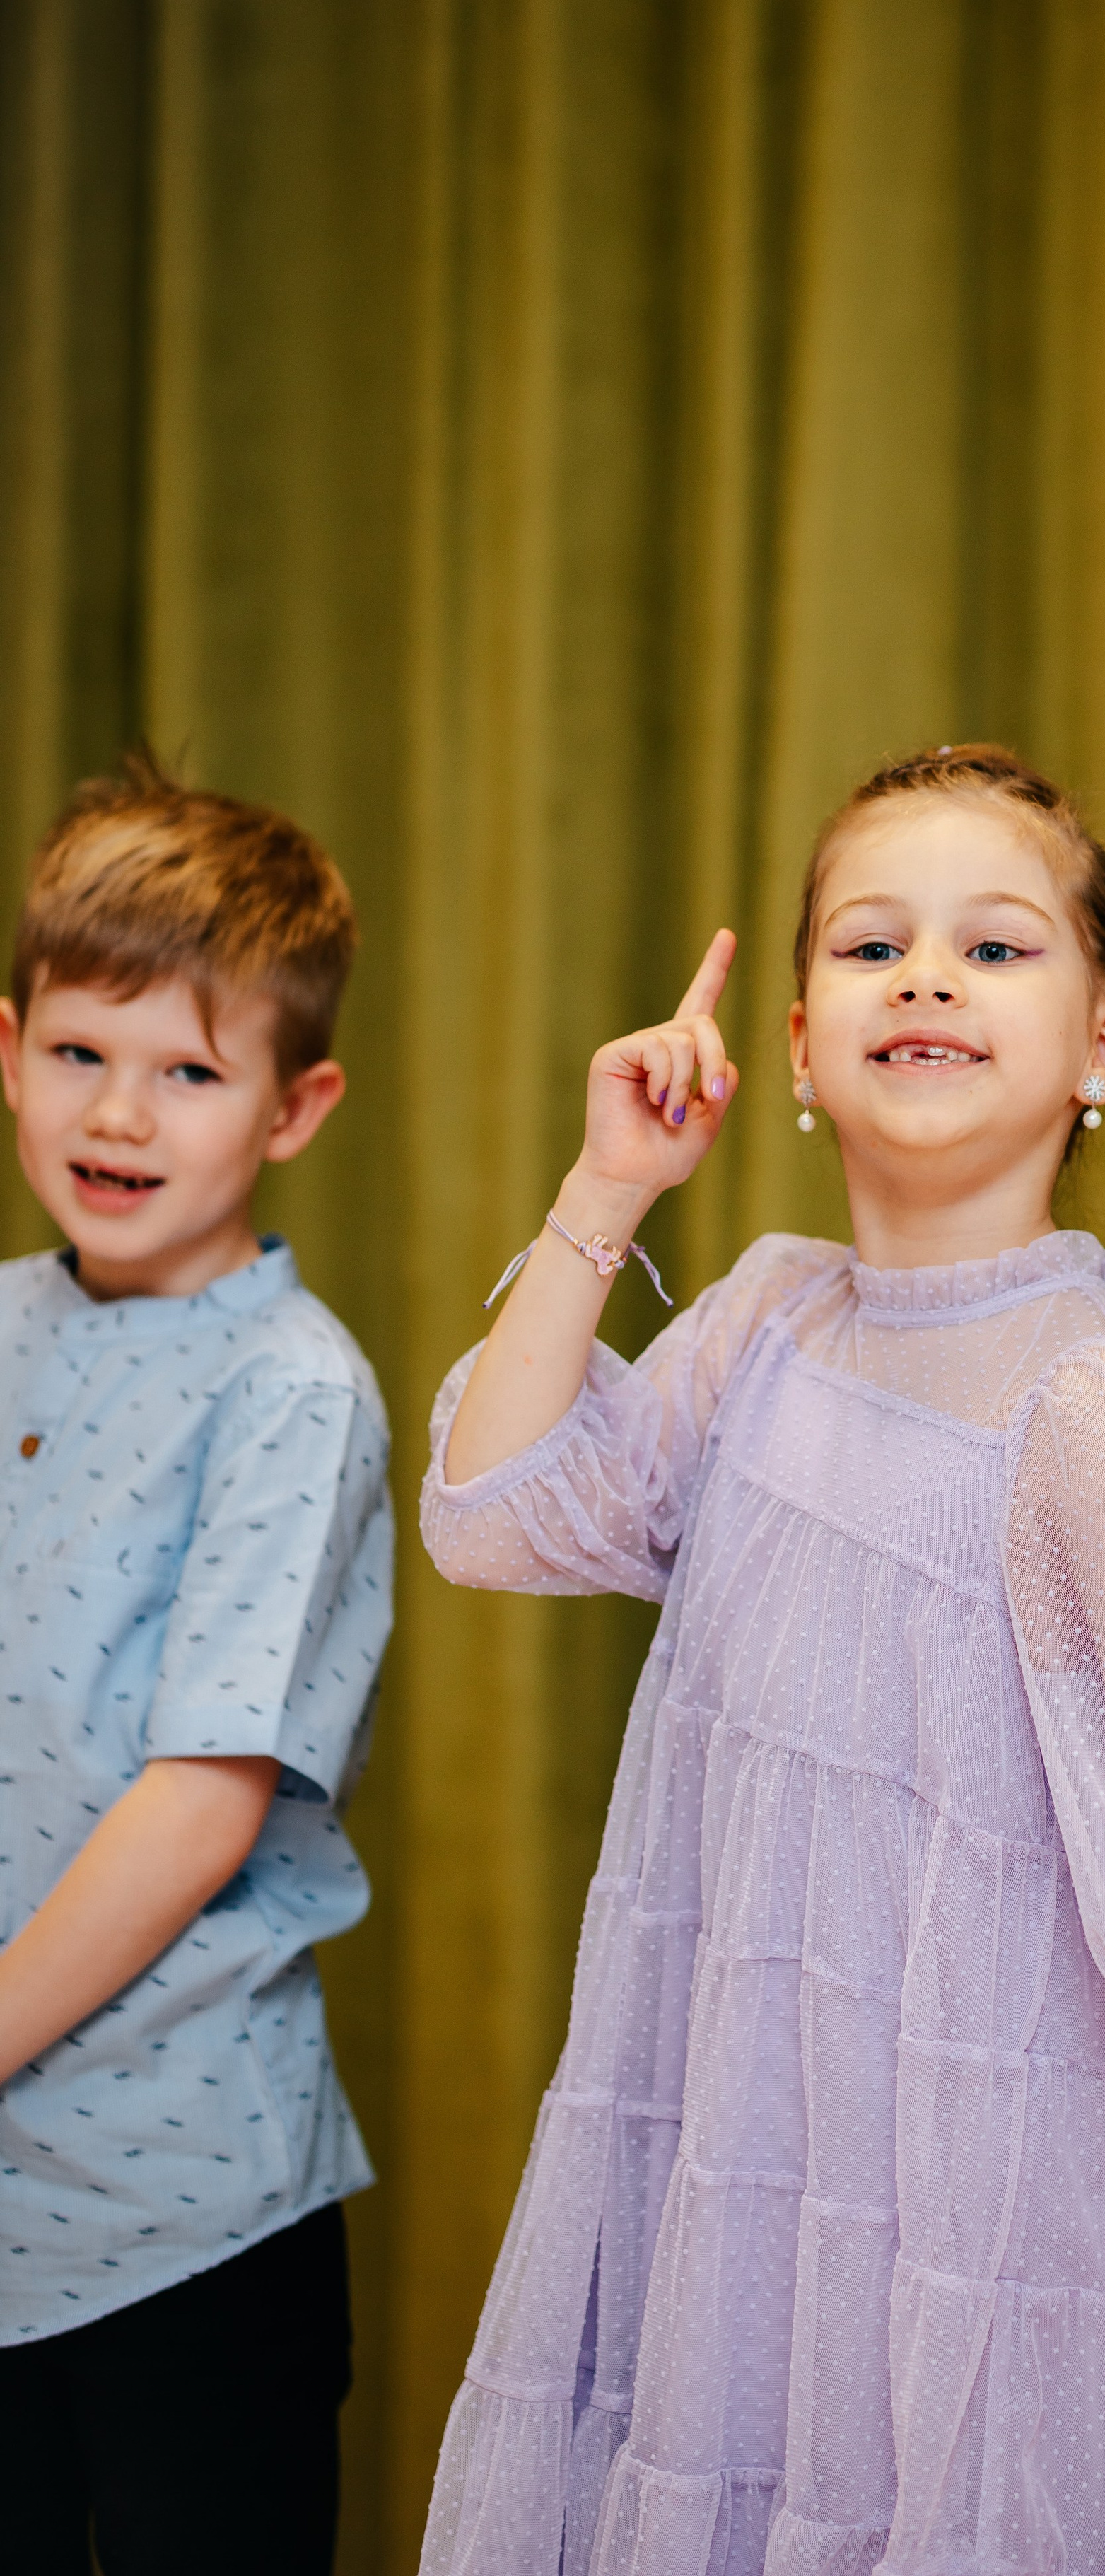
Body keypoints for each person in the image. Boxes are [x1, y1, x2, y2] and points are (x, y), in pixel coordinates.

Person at [416, 746, 1105, 2576]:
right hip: (749, 2168)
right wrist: (607, 1191)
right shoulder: (763, 1320)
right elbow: (493, 1515)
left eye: (992, 948)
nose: (923, 979)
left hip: (984, 2200)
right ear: (796, 1043)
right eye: (870, 946)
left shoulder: (1092, 1408)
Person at [0, 756, 393, 2576]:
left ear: (295, 1107)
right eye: (82, 1052)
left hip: (187, 2219)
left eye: (189, 1071)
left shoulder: (288, 1389)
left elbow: (201, 1800)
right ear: (11, 1051)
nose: (120, 1114)